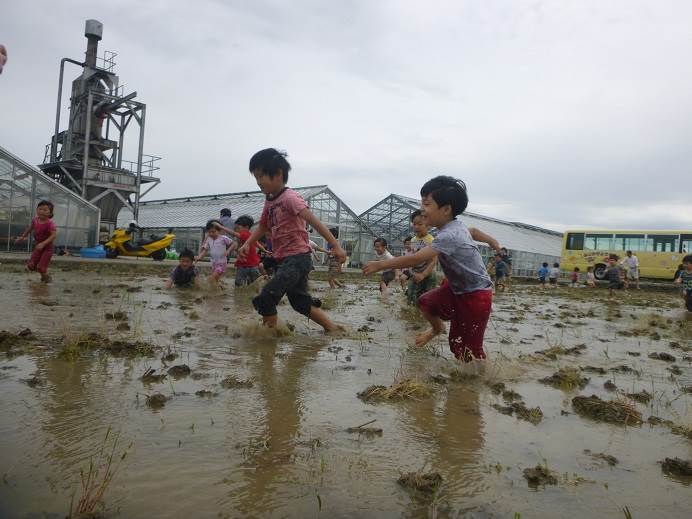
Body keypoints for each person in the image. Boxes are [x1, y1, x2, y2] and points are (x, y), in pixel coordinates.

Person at [363, 176, 496, 362]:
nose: (422, 209)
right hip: (456, 289)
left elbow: (416, 258)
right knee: (426, 302)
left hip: (476, 295)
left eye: (426, 203)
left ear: (446, 209)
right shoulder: (455, 227)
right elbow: (473, 231)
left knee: (465, 348)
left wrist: (380, 264)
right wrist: (492, 242)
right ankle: (437, 328)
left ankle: (477, 380)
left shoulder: (449, 234)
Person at [236, 148, 346, 332]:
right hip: (286, 260)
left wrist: (335, 245)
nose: (258, 182)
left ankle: (268, 338)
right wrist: (248, 243)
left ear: (278, 174)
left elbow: (313, 221)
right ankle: (333, 328)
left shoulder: (290, 198)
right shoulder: (269, 201)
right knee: (300, 303)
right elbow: (263, 226)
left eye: (261, 176)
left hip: (298, 258)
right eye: (255, 177)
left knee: (267, 296)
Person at [215, 215, 264, 287]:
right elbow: (257, 244)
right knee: (254, 285)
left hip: (245, 265)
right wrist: (265, 250)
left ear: (246, 227)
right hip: (253, 265)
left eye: (238, 227)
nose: (236, 229)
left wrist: (221, 226)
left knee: (239, 285)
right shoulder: (251, 235)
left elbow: (233, 233)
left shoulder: (244, 234)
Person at [15, 200, 57, 283]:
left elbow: (53, 235)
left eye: (45, 210)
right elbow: (29, 229)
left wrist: (43, 243)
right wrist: (22, 237)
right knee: (31, 266)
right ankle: (44, 277)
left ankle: (46, 278)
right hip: (38, 247)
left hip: (47, 249)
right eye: (40, 209)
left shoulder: (50, 224)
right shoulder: (35, 220)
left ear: (50, 213)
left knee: (41, 268)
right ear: (37, 210)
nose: (42, 211)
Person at [407, 210, 438, 304]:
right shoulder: (413, 240)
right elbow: (412, 258)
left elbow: (433, 261)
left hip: (428, 274)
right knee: (410, 297)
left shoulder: (431, 240)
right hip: (415, 273)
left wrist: (423, 274)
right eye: (414, 224)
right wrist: (412, 272)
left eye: (420, 224)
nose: (416, 227)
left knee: (426, 300)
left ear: (428, 225)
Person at [195, 220, 234, 289]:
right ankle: (221, 290)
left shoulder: (223, 238)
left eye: (213, 232)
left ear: (219, 231)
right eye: (209, 232)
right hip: (214, 264)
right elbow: (205, 250)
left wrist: (228, 250)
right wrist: (199, 257)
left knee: (211, 279)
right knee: (215, 280)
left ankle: (214, 293)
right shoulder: (209, 239)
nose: (211, 234)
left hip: (222, 264)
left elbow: (233, 244)